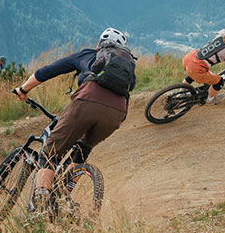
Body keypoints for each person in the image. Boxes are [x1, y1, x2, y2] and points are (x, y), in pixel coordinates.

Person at [13, 27, 135, 217]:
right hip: (116, 114)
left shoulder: (88, 55)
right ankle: (62, 196)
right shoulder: (125, 65)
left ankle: (40, 207)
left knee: (51, 152)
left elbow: (46, 72)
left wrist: (23, 89)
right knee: (82, 150)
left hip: (86, 101)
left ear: (100, 44)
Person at [183, 23, 225, 104]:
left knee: (191, 75)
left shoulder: (221, 34)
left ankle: (181, 93)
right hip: (197, 67)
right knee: (219, 82)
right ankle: (210, 99)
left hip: (189, 58)